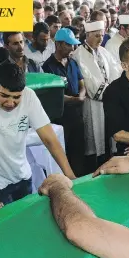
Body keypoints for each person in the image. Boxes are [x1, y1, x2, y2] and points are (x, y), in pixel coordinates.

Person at [0, 62, 75, 213]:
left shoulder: (29, 96)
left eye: (16, 97)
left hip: (23, 177)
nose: (10, 103)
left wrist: (70, 175)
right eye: (4, 96)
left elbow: (49, 139)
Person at [73, 20, 121, 169]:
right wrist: (111, 90)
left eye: (101, 35)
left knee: (109, 138)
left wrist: (114, 89)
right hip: (93, 105)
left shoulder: (104, 51)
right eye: (96, 36)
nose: (100, 39)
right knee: (94, 139)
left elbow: (116, 71)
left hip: (110, 102)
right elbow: (89, 83)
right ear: (87, 35)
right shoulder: (78, 55)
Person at [43, 28, 86, 176]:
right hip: (61, 119)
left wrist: (81, 95)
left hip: (77, 115)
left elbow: (82, 83)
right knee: (63, 152)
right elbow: (52, 95)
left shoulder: (73, 62)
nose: (72, 48)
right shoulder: (47, 67)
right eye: (69, 45)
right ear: (59, 44)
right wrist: (74, 99)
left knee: (79, 151)